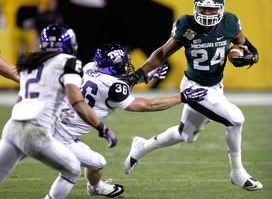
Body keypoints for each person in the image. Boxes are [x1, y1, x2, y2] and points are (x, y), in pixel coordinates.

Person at [123, 0, 263, 191]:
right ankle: (237, 172)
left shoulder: (230, 22)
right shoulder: (186, 26)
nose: (207, 13)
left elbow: (249, 48)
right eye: (203, 8)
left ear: (221, 9)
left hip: (215, 86)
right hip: (195, 88)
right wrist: (137, 75)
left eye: (211, 9)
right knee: (236, 119)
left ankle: (142, 146)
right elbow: (162, 54)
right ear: (196, 7)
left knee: (185, 135)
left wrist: (248, 57)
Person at [53, 43, 207, 196]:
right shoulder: (113, 86)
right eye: (122, 64)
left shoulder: (90, 67)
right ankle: (94, 188)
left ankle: (96, 187)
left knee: (93, 163)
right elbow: (148, 105)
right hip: (62, 137)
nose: (126, 66)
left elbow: (113, 85)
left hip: (56, 124)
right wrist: (181, 97)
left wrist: (143, 78)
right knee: (96, 163)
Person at [0, 23, 118, 199]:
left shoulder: (30, 61)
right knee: (71, 169)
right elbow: (77, 102)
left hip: (12, 127)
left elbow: (20, 99)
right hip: (36, 130)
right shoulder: (69, 63)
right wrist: (102, 128)